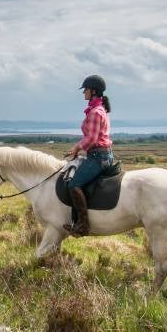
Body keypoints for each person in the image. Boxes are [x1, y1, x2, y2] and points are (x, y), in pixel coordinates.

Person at [63, 75, 113, 236]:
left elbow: (91, 139)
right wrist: (77, 148)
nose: (84, 92)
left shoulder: (95, 112)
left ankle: (83, 225)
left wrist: (77, 148)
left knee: (73, 185)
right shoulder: (97, 109)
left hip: (98, 157)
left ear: (93, 91)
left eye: (86, 89)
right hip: (98, 154)